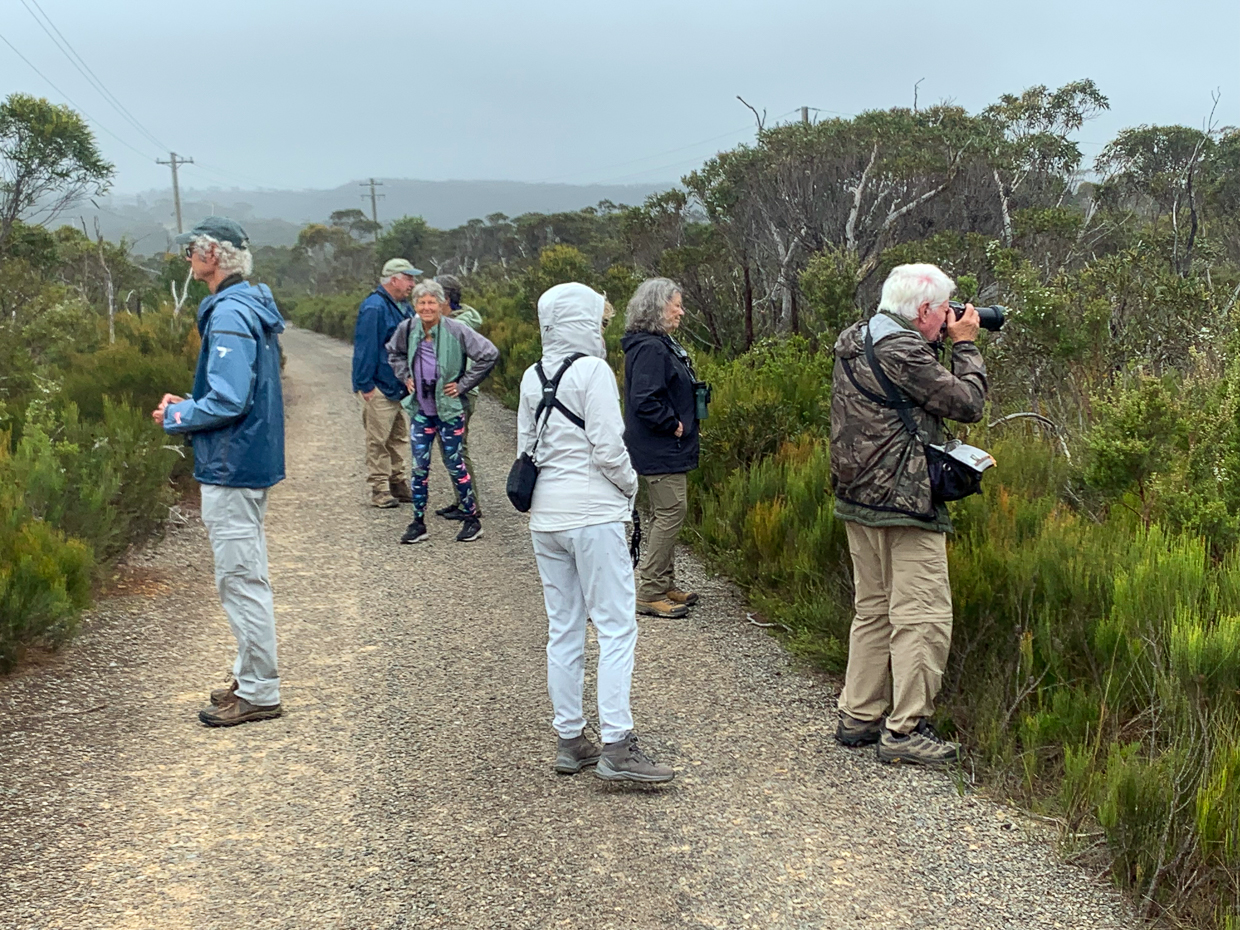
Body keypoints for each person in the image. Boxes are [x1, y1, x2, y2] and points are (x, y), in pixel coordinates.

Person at [829, 263, 988, 766]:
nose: (950, 318)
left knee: (873, 611)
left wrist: (941, 337)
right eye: (943, 310)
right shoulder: (904, 351)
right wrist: (965, 345)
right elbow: (968, 403)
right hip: (903, 500)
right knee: (922, 616)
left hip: (859, 498)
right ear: (923, 311)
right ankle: (906, 729)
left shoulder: (859, 339)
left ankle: (859, 714)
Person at [518, 282, 674, 783]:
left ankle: (570, 739)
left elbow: (526, 447)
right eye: (599, 321)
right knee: (615, 627)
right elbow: (609, 448)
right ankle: (617, 745)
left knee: (563, 627)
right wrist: (630, 488)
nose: (603, 330)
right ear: (583, 323)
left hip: (546, 518)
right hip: (594, 516)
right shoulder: (593, 371)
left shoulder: (531, 376)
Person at [152, 217, 286, 728]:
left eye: (192, 250)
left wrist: (177, 416)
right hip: (248, 458)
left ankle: (258, 690)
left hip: (232, 463)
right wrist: (191, 404)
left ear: (211, 255)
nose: (188, 258)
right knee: (246, 573)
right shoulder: (248, 304)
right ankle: (250, 676)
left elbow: (229, 399)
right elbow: (237, 391)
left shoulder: (229, 312)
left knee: (240, 579)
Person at [385, 280, 498, 544]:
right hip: (421, 411)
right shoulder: (408, 328)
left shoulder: (456, 330)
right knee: (419, 468)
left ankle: (472, 520)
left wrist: (463, 384)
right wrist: (406, 376)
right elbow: (394, 353)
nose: (426, 307)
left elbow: (489, 354)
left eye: (431, 302)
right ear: (415, 305)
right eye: (421, 302)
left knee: (456, 464)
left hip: (449, 411)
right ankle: (418, 523)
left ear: (441, 304)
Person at [621, 277, 701, 619]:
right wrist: (672, 424)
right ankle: (651, 591)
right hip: (660, 446)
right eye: (676, 306)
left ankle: (665, 582)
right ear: (657, 308)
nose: (681, 312)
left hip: (665, 446)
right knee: (671, 513)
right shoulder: (651, 349)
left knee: (663, 513)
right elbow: (644, 400)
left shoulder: (658, 344)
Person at [353, 259, 419, 508]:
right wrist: (365, 384)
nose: (412, 283)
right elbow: (365, 347)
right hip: (379, 385)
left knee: (398, 436)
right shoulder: (374, 307)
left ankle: (397, 481)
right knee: (378, 439)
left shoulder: (403, 307)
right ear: (394, 279)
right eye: (408, 278)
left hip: (398, 385)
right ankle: (380, 488)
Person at [433, 273, 483, 522]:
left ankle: (470, 505)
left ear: (446, 298)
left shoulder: (457, 327)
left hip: (458, 395)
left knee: (456, 449)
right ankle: (462, 500)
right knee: (450, 450)